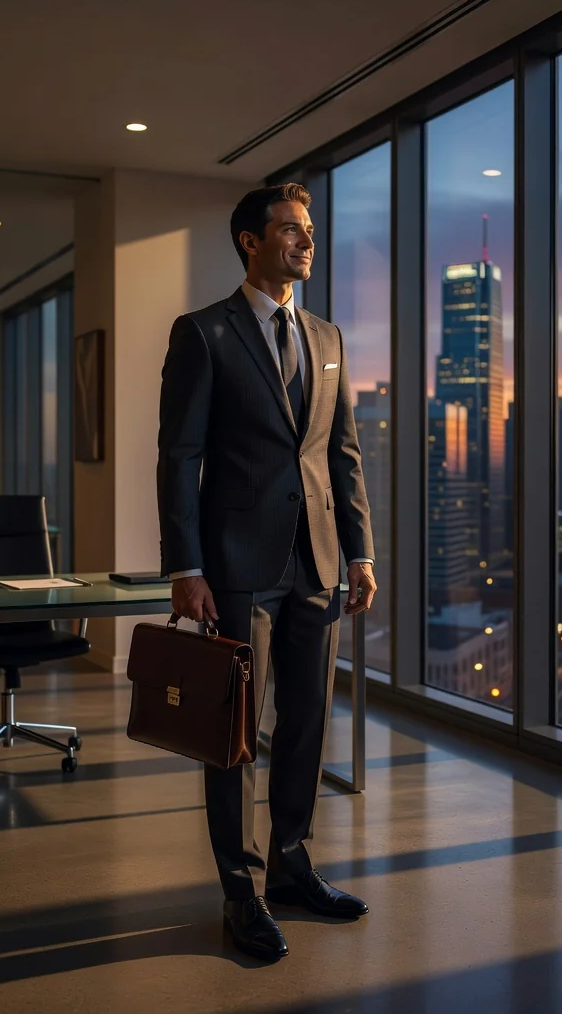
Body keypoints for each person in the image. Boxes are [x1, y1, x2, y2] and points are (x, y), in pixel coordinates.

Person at [157, 183, 377, 962]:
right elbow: (180, 459)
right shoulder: (204, 333)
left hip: (317, 561)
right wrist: (185, 567)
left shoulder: (327, 335)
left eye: (308, 230)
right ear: (249, 241)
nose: (305, 241)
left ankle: (290, 865)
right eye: (289, 229)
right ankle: (240, 892)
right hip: (237, 567)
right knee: (236, 733)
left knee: (307, 725)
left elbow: (339, 454)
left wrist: (361, 550)